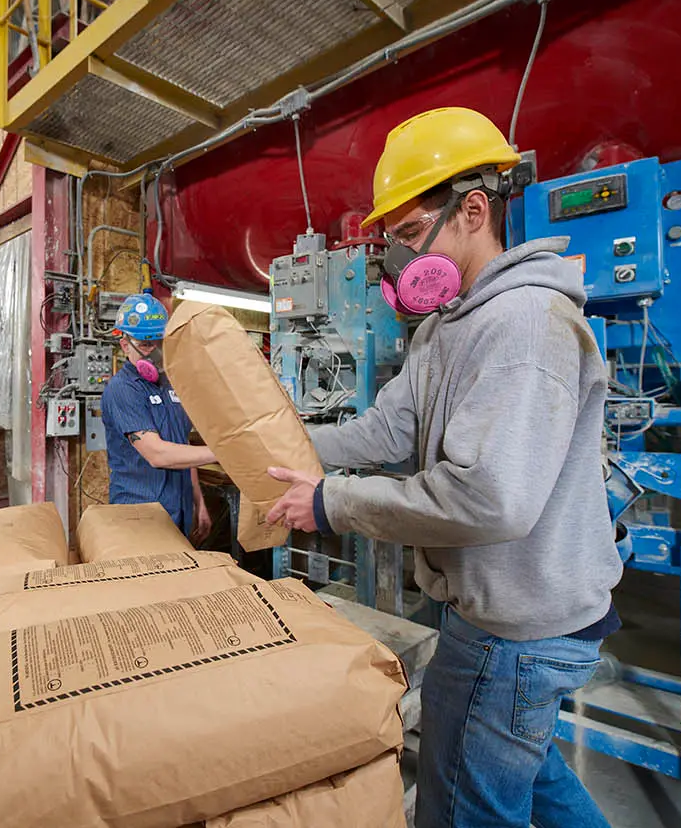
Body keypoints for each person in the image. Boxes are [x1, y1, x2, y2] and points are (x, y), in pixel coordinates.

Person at [266, 107, 622, 828]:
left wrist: (331, 504)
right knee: (531, 776)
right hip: (493, 611)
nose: (397, 258)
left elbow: (488, 499)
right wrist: (278, 442)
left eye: (407, 233)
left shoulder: (525, 324)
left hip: (516, 633)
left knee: (461, 805)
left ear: (473, 211)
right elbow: (384, 430)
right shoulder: (444, 326)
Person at [100, 292, 216, 542]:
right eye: (145, 345)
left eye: (159, 343)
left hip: (179, 509)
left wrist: (198, 502)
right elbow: (157, 454)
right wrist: (221, 452)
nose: (155, 352)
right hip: (140, 516)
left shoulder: (172, 384)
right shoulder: (123, 390)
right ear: (125, 345)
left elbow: (182, 444)